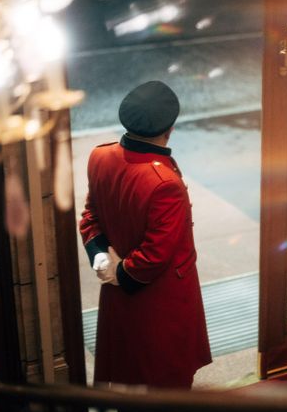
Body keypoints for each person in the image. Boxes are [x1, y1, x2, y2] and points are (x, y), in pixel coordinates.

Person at [79, 80, 211, 389]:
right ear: (170, 128)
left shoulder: (100, 156)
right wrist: (120, 273)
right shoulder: (165, 182)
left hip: (118, 293)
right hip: (160, 299)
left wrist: (102, 258)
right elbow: (155, 255)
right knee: (163, 383)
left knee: (128, 373)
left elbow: (90, 216)